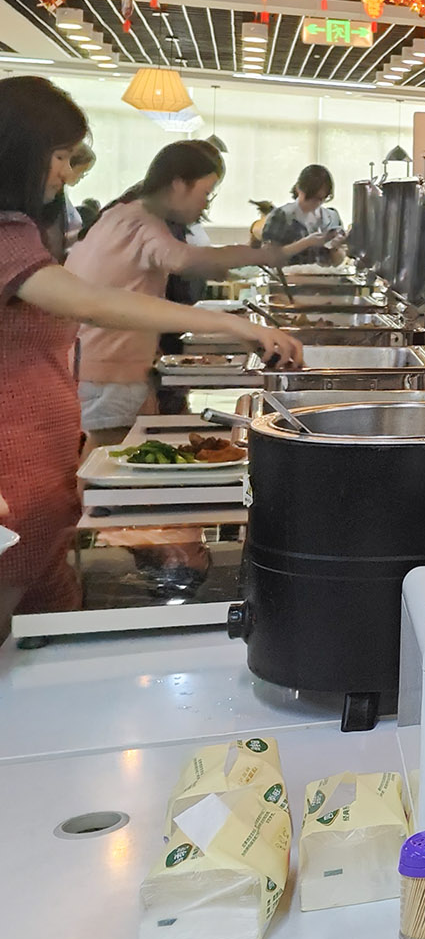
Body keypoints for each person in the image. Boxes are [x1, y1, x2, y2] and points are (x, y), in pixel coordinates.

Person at [0, 78, 301, 630]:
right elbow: (96, 302)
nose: (66, 172)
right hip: (18, 470)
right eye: (60, 156)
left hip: (43, 459)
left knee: (45, 619)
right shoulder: (9, 235)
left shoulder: (42, 227)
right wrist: (233, 323)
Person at [67, 140, 327, 438]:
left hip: (105, 362)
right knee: (109, 452)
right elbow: (184, 259)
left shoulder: (121, 213)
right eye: (206, 193)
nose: (206, 204)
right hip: (110, 368)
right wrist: (263, 255)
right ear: (179, 185)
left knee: (112, 449)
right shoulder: (141, 222)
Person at [259, 164, 343, 265]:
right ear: (298, 189)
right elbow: (268, 256)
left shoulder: (331, 217)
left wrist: (335, 247)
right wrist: (305, 243)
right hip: (289, 274)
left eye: (321, 199)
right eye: (311, 197)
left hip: (325, 275)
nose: (315, 203)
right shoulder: (281, 216)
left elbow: (338, 261)